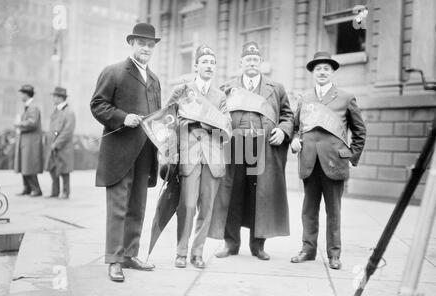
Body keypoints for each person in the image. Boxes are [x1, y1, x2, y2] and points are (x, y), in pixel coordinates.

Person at [210, 42, 295, 261]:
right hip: (235, 147)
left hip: (263, 148)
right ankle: (231, 243)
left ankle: (258, 246)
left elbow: (288, 116)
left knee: (261, 196)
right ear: (241, 63)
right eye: (247, 60)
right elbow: (216, 115)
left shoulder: (275, 88)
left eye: (255, 60)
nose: (252, 63)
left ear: (261, 63)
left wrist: (283, 131)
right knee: (232, 193)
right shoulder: (228, 88)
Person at [90, 23, 161, 282]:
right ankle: (114, 259)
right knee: (118, 207)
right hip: (119, 151)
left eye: (150, 45)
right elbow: (97, 104)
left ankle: (130, 255)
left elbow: (158, 117)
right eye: (142, 43)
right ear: (131, 44)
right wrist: (122, 117)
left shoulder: (154, 80)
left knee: (137, 206)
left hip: (145, 152)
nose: (146, 48)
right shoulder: (114, 72)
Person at [290, 52, 366, 270]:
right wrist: (295, 139)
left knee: (334, 211)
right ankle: (307, 249)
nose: (322, 72)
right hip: (309, 161)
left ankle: (334, 254)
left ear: (332, 72)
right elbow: (296, 127)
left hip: (334, 162)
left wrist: (352, 155)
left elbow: (360, 130)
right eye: (318, 69)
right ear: (313, 73)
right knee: (308, 210)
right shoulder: (304, 98)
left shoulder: (346, 97)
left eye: (326, 69)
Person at [166, 45, 231, 269]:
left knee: (207, 208)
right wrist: (172, 151)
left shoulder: (220, 96)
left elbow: (226, 130)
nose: (209, 66)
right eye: (205, 62)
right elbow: (168, 121)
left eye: (212, 63)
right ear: (196, 66)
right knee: (187, 205)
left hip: (212, 158)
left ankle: (197, 253)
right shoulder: (183, 90)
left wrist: (198, 121)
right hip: (189, 155)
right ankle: (181, 252)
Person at [45, 87, 76, 199]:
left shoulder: (69, 112)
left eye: (54, 96)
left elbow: (67, 131)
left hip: (63, 147)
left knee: (64, 170)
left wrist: (57, 143)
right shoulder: (56, 111)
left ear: (60, 97)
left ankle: (65, 192)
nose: (53, 98)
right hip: (53, 145)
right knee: (53, 169)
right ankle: (55, 192)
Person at [14, 84, 44, 197]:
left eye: (22, 93)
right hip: (26, 140)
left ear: (27, 94)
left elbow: (33, 123)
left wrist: (19, 124)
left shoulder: (33, 107)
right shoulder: (27, 106)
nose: (21, 95)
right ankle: (27, 187)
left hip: (31, 141)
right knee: (24, 165)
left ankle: (36, 189)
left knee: (29, 166)